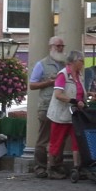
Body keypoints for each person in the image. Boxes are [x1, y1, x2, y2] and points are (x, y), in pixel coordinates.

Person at [28, 36, 67, 178]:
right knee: (43, 139)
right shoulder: (41, 64)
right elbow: (32, 85)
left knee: (59, 138)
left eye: (62, 46)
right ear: (50, 47)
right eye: (58, 46)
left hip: (61, 106)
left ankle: (56, 166)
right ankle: (40, 168)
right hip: (46, 106)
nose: (61, 48)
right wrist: (49, 82)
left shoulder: (65, 65)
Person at [46, 51, 86, 180]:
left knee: (77, 141)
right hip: (61, 114)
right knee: (56, 141)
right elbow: (58, 94)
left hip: (75, 114)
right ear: (74, 62)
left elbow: (79, 91)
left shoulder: (79, 75)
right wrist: (74, 101)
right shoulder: (63, 75)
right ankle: (51, 168)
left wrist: (88, 95)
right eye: (81, 61)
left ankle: (77, 167)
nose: (83, 64)